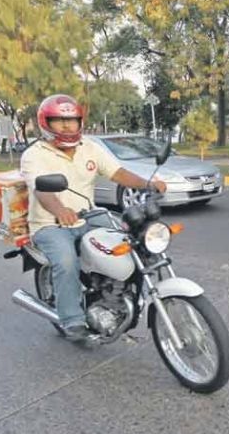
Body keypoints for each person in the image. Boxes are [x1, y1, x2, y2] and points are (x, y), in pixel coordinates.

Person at [20, 94, 166, 340]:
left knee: (131, 239)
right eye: (59, 121)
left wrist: (147, 184)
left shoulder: (89, 147)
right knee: (67, 262)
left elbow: (116, 172)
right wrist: (60, 211)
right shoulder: (34, 155)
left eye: (72, 120)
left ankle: (116, 294)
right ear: (46, 123)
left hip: (89, 216)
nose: (67, 126)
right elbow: (42, 190)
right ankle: (71, 319)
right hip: (50, 224)